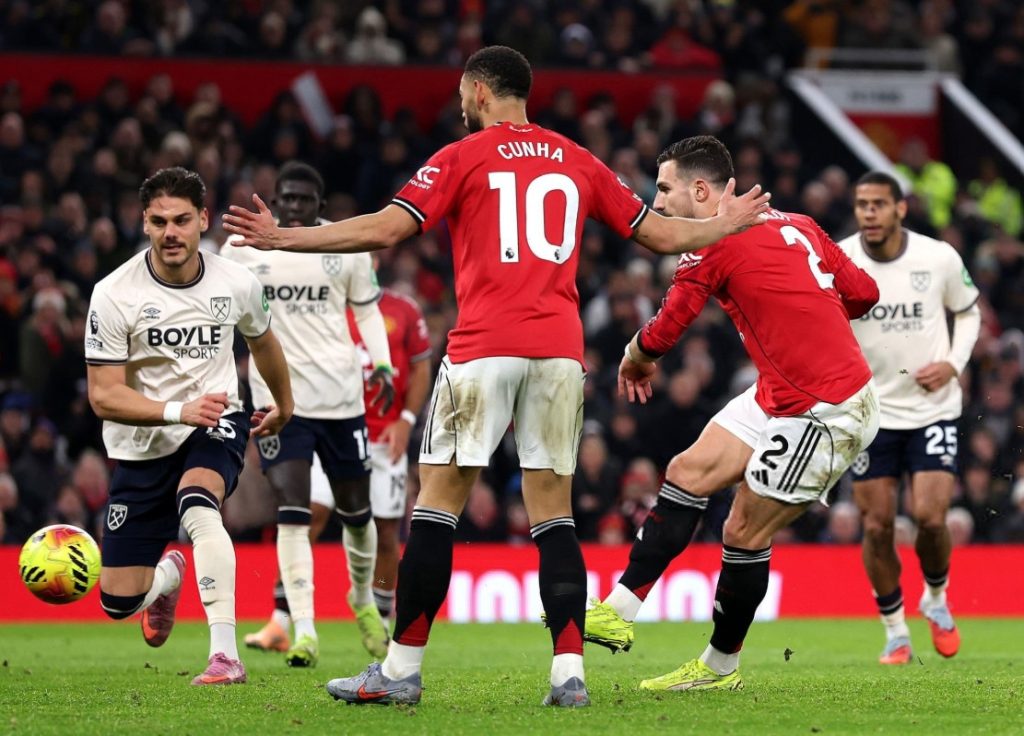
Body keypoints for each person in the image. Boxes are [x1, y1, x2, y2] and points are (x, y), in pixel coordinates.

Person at [223, 46, 770, 708]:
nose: (459, 106)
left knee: (437, 507)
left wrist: (286, 238)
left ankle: (399, 670)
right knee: (554, 518)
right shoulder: (576, 157)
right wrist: (721, 223)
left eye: (462, 94)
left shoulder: (462, 156)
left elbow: (385, 227)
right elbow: (656, 234)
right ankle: (569, 677)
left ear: (481, 93)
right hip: (560, 355)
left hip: (484, 349)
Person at [583, 135, 880, 692]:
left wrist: (633, 358)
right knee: (687, 472)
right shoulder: (801, 223)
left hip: (825, 409)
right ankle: (618, 610)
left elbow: (666, 330)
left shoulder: (711, 244)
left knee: (742, 529)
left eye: (666, 189)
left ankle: (719, 668)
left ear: (702, 190)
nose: (661, 202)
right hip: (779, 391)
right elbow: (862, 292)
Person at [85, 167, 293, 685]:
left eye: (181, 220)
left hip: (217, 419)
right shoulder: (113, 294)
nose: (170, 232)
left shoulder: (236, 282)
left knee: (199, 505)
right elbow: (103, 395)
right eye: (159, 222)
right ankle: (170, 576)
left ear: (203, 219)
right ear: (145, 223)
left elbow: (264, 343)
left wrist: (283, 405)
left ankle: (225, 656)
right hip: (143, 441)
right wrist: (178, 410)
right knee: (118, 602)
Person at [223, 161, 395, 667]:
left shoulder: (345, 247)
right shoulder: (241, 249)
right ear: (274, 200)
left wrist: (381, 363)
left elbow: (364, 309)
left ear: (320, 208)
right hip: (278, 402)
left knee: (357, 516)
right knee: (293, 511)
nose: (293, 207)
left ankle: (362, 598)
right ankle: (304, 630)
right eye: (286, 198)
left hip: (342, 399)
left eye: (303, 200)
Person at [838, 172, 980, 664]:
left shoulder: (937, 257)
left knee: (930, 517)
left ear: (901, 208)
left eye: (879, 204)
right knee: (876, 526)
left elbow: (969, 312)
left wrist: (953, 365)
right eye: (861, 205)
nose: (869, 213)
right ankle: (895, 630)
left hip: (932, 409)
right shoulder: (840, 260)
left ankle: (936, 598)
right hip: (871, 412)